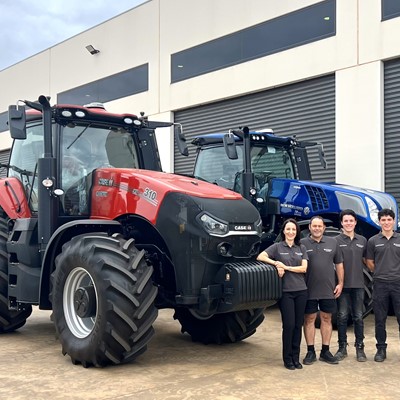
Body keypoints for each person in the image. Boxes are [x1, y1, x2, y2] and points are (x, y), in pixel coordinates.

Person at [257, 218, 308, 370]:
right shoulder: (277, 247)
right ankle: (287, 359)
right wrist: (276, 264)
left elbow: (304, 268)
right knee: (289, 325)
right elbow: (260, 257)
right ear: (284, 231)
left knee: (298, 325)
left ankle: (295, 357)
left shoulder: (301, 248)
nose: (291, 232)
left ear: (297, 232)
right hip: (286, 292)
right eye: (288, 229)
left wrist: (285, 267)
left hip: (301, 291)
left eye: (293, 229)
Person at [300, 216, 344, 365]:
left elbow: (339, 264)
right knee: (309, 319)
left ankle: (325, 351)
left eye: (320, 226)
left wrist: (341, 283)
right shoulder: (302, 243)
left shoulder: (333, 242)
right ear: (310, 228)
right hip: (308, 289)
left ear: (324, 228)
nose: (317, 228)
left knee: (327, 318)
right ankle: (310, 351)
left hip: (328, 289)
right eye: (314, 226)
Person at [365, 208, 400, 362]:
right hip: (380, 284)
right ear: (379, 222)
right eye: (383, 220)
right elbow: (369, 262)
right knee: (380, 318)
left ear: (394, 221)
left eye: (389, 219)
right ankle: (380, 349)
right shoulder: (373, 241)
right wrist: (379, 272)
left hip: (398, 284)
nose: (386, 222)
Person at [334, 209, 368, 362]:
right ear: (341, 223)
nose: (348, 223)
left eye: (351, 220)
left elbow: (368, 261)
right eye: (345, 221)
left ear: (355, 222)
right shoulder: (335, 241)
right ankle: (342, 348)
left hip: (358, 285)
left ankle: (360, 348)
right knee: (342, 316)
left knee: (359, 317)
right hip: (342, 285)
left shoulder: (363, 241)